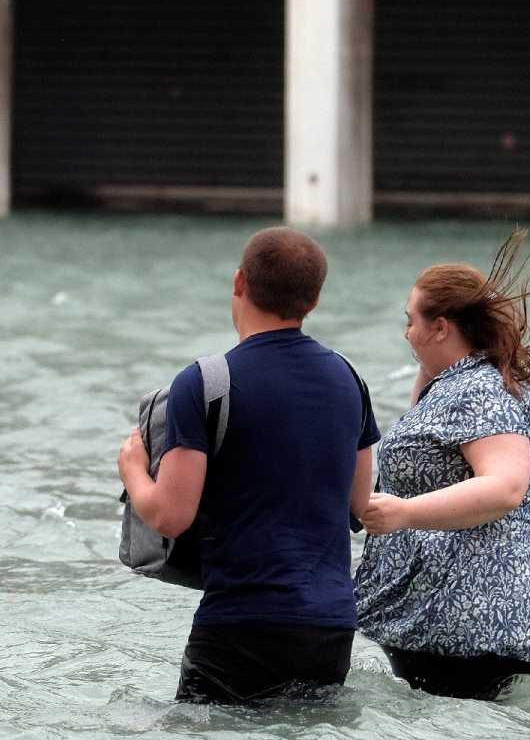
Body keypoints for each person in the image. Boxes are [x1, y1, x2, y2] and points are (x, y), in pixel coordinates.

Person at [117, 227, 381, 705]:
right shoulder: (349, 378)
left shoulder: (204, 382)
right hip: (331, 626)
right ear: (314, 300)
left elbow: (170, 515)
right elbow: (359, 505)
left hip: (242, 620)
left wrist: (133, 470)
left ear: (239, 282)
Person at [353, 229, 530, 700]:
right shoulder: (464, 381)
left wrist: (404, 514)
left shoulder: (479, 391)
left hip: (473, 620)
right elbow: (425, 441)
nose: (406, 332)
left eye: (411, 321)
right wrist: (428, 362)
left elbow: (506, 487)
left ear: (442, 327)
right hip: (461, 619)